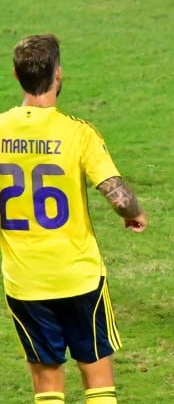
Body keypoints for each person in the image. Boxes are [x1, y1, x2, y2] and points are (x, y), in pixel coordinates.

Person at [0, 34, 147, 404]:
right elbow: (114, 192)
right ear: (58, 74)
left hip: (25, 281)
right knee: (97, 377)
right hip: (78, 276)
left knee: (47, 386)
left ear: (16, 75)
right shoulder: (78, 133)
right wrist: (134, 213)